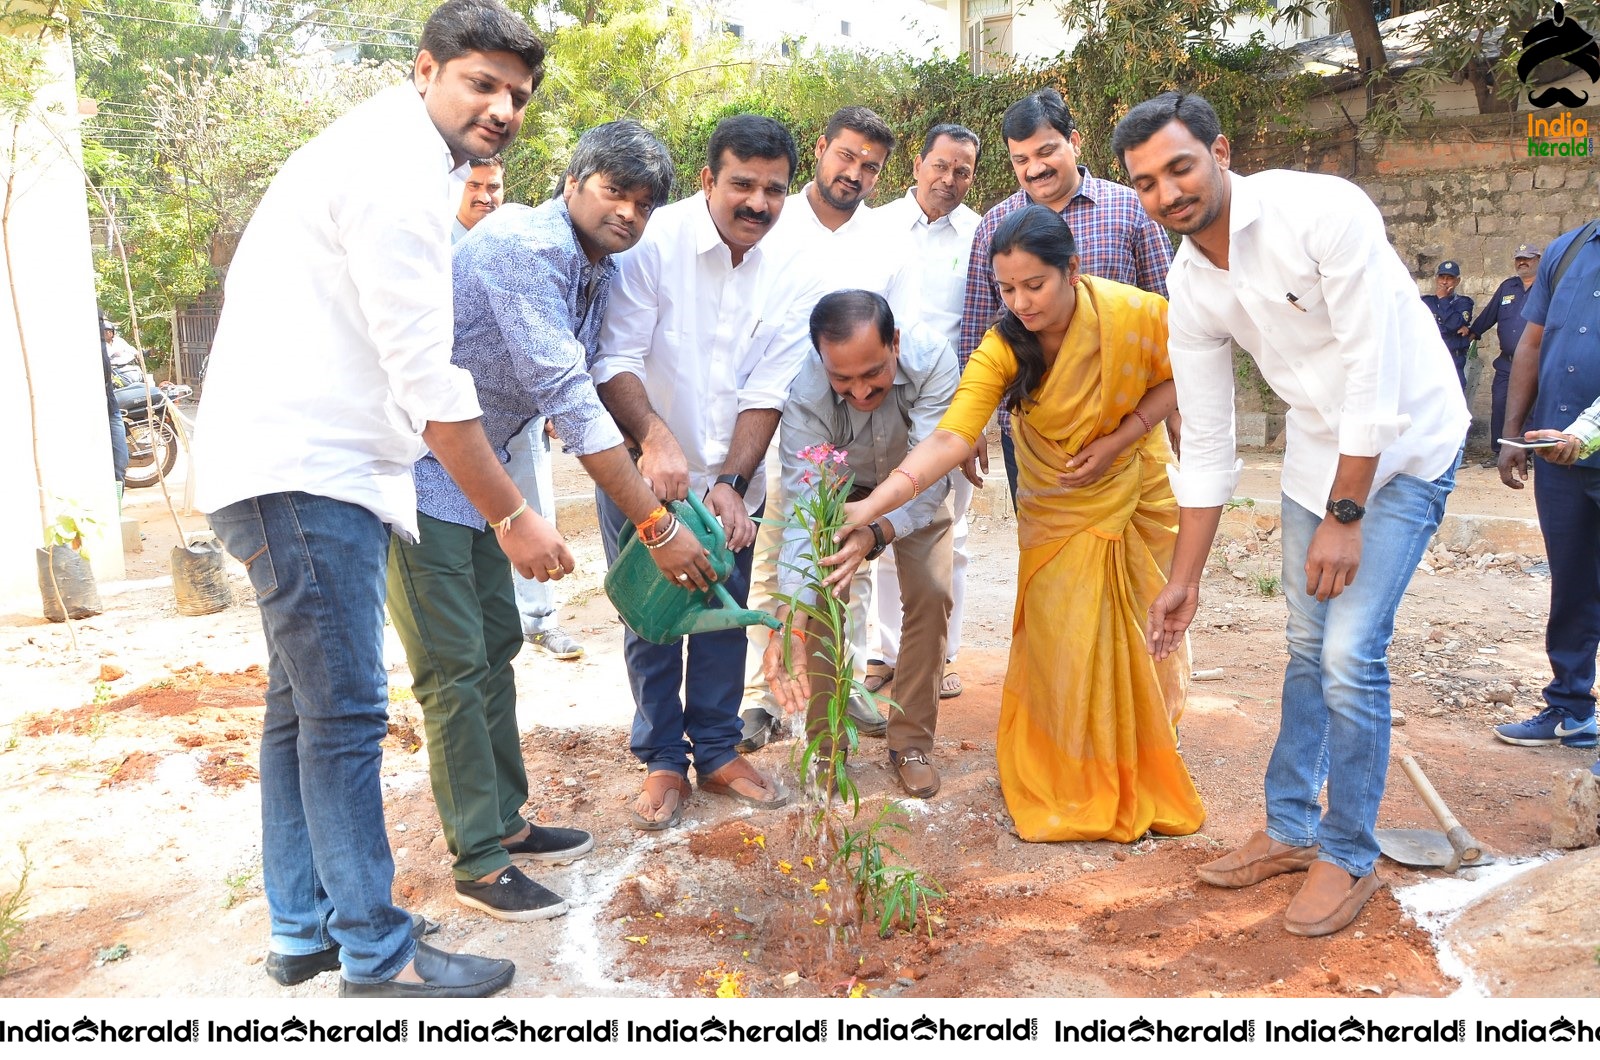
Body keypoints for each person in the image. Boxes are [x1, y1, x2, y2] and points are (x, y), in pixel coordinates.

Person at [195, 0, 549, 997]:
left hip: (289, 467)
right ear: (424, 70)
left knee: (297, 712)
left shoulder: (385, 155)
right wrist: (511, 514)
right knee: (347, 713)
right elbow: (426, 379)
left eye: (516, 95)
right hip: (309, 473)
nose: (501, 108)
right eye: (481, 83)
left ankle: (303, 928)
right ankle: (376, 950)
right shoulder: (396, 174)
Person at [1117, 91, 1467, 937]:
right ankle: (1288, 828)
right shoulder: (1190, 283)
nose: (1169, 192)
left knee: (1350, 650)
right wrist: (1184, 580)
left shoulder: (1324, 211)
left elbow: (1373, 371)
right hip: (1318, 455)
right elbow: (1205, 442)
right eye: (1147, 183)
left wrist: (1347, 513)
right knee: (1306, 643)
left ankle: (1349, 853)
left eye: (1181, 167)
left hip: (1409, 441)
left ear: (1220, 151)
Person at [387, 122, 711, 920]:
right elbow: (569, 394)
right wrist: (657, 529)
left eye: (644, 203)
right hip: (418, 468)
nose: (630, 214)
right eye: (615, 192)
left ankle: (504, 821)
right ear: (573, 182)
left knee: (494, 647)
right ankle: (479, 862)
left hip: (477, 472)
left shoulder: (592, 265)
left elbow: (594, 382)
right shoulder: (525, 250)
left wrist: (655, 446)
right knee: (453, 670)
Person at [840, 205, 1204, 841]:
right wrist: (872, 507)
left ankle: (1144, 757)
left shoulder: (1135, 313)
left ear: (1072, 269)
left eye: (1034, 285)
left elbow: (1191, 371)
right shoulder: (1005, 344)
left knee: (1147, 630)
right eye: (1007, 289)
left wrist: (1125, 436)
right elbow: (953, 436)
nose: (1021, 302)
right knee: (1064, 635)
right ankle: (1073, 771)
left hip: (1135, 487)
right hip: (1058, 498)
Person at [592, 114, 821, 830]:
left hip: (731, 478)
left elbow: (768, 387)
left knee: (723, 611)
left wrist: (731, 480)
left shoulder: (793, 266)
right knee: (654, 614)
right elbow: (616, 357)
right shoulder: (652, 242)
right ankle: (662, 757)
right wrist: (655, 441)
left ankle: (719, 749)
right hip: (641, 472)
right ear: (707, 180)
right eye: (742, 185)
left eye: (774, 190)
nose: (758, 203)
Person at [739, 105, 911, 749]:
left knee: (853, 553)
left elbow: (899, 329)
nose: (856, 173)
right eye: (847, 157)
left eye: (871, 166)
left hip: (859, 420)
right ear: (821, 148)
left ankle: (846, 681)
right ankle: (765, 694)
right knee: (778, 542)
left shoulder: (885, 239)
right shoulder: (774, 221)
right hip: (779, 412)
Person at [762, 291, 958, 798]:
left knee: (933, 593)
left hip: (915, 484)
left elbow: (932, 469)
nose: (861, 391)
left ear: (894, 342)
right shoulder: (805, 388)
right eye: (842, 380)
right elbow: (807, 504)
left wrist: (876, 530)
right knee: (822, 602)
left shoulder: (934, 359)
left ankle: (911, 743)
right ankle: (828, 747)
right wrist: (794, 616)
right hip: (837, 490)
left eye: (873, 373)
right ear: (821, 361)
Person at [961, 87, 1173, 507]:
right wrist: (971, 426)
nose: (1034, 169)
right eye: (1020, 160)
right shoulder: (993, 227)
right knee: (1050, 548)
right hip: (1031, 427)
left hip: (1124, 422)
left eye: (1046, 152)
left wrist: (1176, 411)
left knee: (1133, 548)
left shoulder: (1130, 209)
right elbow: (976, 331)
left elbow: (1173, 322)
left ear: (1073, 142)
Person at [452, 155, 586, 660]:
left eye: (494, 186)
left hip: (522, 416)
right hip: (454, 424)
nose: (486, 195)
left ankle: (539, 619)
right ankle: (474, 627)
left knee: (533, 513)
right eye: (475, 185)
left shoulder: (521, 237)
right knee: (473, 523)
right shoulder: (434, 245)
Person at [867, 124, 982, 703]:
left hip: (954, 407)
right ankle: (884, 654)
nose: (949, 179)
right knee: (885, 523)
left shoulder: (981, 233)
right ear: (918, 164)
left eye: (962, 171)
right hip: (880, 400)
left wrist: (980, 414)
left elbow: (986, 323)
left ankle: (942, 654)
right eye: (940, 165)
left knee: (949, 535)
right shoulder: (877, 226)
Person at [1493, 218, 1600, 757]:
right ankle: (1572, 709)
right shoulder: (1570, 248)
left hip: (1584, 440)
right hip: (1556, 456)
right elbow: (1531, 344)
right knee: (1572, 583)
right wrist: (1514, 434)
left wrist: (1586, 433)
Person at [1467, 243, 1542, 467]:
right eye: (1519, 258)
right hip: (1507, 363)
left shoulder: (1547, 288)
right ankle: (1499, 451)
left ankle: (1525, 454)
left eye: (1527, 258)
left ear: (1538, 260)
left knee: (1531, 409)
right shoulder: (1507, 287)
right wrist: (1471, 332)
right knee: (1500, 404)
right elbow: (1490, 314)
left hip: (1535, 363)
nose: (1522, 262)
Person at [1421, 260, 1474, 392]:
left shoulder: (1463, 303)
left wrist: (1443, 299)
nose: (1444, 282)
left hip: (1453, 359)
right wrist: (1451, 328)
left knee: (1454, 402)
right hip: (1429, 359)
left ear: (1457, 281)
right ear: (1436, 279)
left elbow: (1454, 324)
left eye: (1449, 278)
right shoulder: (1426, 302)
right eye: (1441, 277)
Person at [452, 154, 504, 241]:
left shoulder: (515, 242)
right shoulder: (434, 243)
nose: (485, 199)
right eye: (474, 186)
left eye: (493, 187)